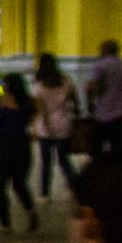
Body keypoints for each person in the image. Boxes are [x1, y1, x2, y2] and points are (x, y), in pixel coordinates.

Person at [0, 72, 40, 231]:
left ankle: (8, 223)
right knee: (16, 183)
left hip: (3, 146)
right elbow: (35, 120)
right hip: (19, 146)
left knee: (3, 185)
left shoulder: (1, 101)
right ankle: (27, 212)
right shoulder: (28, 102)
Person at [30, 54, 81, 202]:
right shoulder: (66, 81)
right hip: (64, 124)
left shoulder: (38, 85)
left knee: (46, 162)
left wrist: (37, 127)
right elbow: (75, 100)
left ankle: (45, 194)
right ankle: (76, 188)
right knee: (64, 160)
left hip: (45, 128)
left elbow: (40, 110)